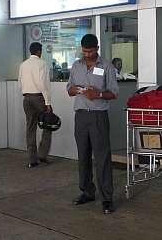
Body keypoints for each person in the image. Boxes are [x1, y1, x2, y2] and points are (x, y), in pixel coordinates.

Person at [67, 34, 119, 215]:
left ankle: (107, 198)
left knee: (102, 157)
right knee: (83, 156)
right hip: (81, 116)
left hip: (98, 117)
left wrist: (98, 94)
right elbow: (69, 89)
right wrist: (73, 90)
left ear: (97, 48)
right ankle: (87, 191)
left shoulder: (106, 66)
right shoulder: (76, 66)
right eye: (84, 51)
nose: (87, 54)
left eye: (90, 51)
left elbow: (114, 93)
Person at [19, 42, 52, 168]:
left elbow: (19, 82)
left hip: (26, 99)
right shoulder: (42, 63)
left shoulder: (23, 65)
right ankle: (42, 155)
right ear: (39, 51)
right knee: (48, 124)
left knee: (30, 128)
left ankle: (32, 160)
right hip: (39, 98)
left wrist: (26, 93)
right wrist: (47, 102)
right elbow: (42, 83)